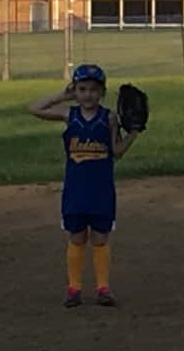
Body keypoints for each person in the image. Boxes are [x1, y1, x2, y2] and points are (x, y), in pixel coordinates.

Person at [28, 64, 139, 307]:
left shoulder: (109, 118)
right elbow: (33, 108)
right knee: (77, 238)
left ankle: (103, 288)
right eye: (82, 89)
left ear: (102, 92)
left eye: (93, 90)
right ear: (75, 91)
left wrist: (134, 132)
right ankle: (74, 288)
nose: (87, 94)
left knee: (100, 239)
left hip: (101, 191)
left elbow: (117, 151)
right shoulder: (69, 114)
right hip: (75, 192)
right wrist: (62, 95)